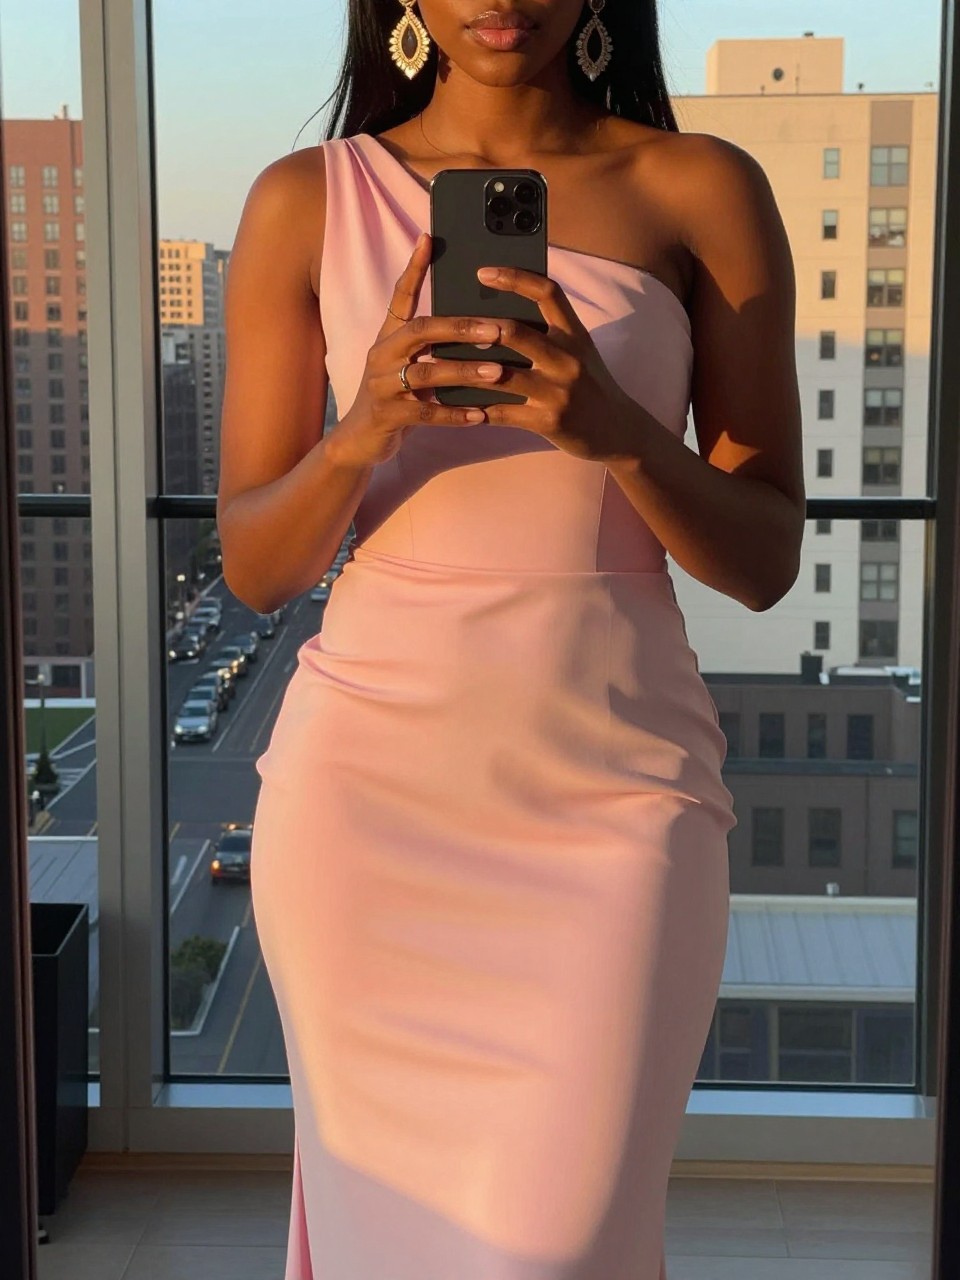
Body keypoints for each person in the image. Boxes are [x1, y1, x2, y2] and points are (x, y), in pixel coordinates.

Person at [217, 0, 805, 1274]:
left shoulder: (700, 186)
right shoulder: (301, 201)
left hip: (615, 796)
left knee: (563, 1239)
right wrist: (363, 427)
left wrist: (616, 432)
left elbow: (762, 559)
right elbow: (258, 566)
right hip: (367, 805)